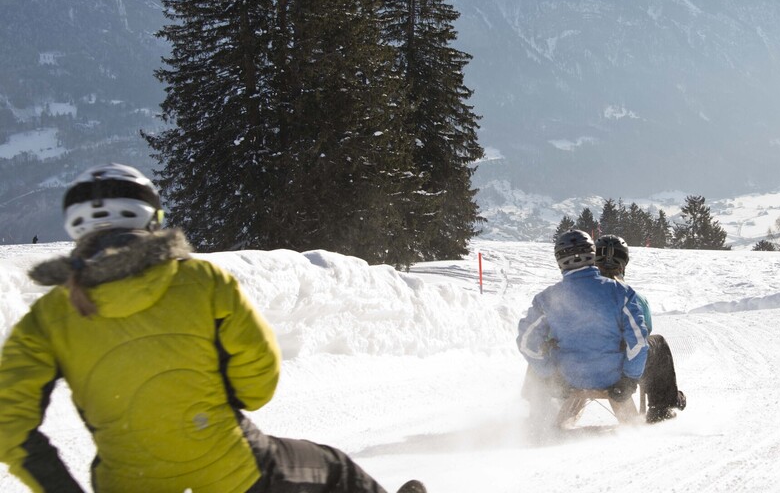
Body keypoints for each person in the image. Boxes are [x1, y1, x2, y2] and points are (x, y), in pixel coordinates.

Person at [0, 164, 425, 493]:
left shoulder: (48, 317)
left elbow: (9, 423)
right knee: (335, 469)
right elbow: (259, 382)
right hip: (234, 473)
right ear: (153, 218)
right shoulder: (202, 280)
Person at [517, 229, 650, 430]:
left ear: (560, 260)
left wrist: (549, 374)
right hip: (612, 376)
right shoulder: (620, 293)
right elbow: (639, 341)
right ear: (592, 254)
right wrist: (630, 379)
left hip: (568, 377)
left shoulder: (548, 299)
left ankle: (539, 419)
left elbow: (527, 342)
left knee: (543, 352)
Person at [594, 234, 687, 423]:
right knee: (657, 343)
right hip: (622, 370)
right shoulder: (634, 297)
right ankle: (662, 407)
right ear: (624, 263)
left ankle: (534, 409)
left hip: (582, 365)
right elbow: (644, 332)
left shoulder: (578, 295)